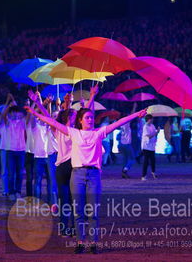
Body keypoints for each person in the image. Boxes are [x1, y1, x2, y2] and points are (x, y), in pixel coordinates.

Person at [24, 105, 146, 254]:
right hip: (77, 175)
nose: (90, 120)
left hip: (94, 175)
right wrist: (35, 112)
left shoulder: (98, 133)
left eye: (92, 117)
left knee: (93, 211)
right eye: (87, 117)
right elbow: (52, 122)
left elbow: (118, 123)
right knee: (78, 211)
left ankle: (93, 243)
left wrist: (136, 115)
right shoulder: (74, 133)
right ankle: (80, 242)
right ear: (80, 121)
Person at [0, 94, 26, 201]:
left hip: (21, 150)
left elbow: (26, 116)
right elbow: (3, 116)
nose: (15, 114)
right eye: (13, 113)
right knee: (11, 173)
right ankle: (10, 192)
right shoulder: (8, 123)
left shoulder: (22, 122)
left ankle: (18, 191)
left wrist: (17, 107)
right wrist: (9, 106)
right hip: (10, 150)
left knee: (19, 173)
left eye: (17, 113)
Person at [141, 114, 159, 181]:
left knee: (153, 160)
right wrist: (156, 133)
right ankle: (143, 176)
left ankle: (153, 172)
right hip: (146, 146)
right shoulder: (145, 127)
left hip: (152, 146)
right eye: (151, 119)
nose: (152, 120)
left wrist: (157, 132)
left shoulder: (152, 125)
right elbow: (148, 136)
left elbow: (154, 133)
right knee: (146, 161)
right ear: (148, 119)